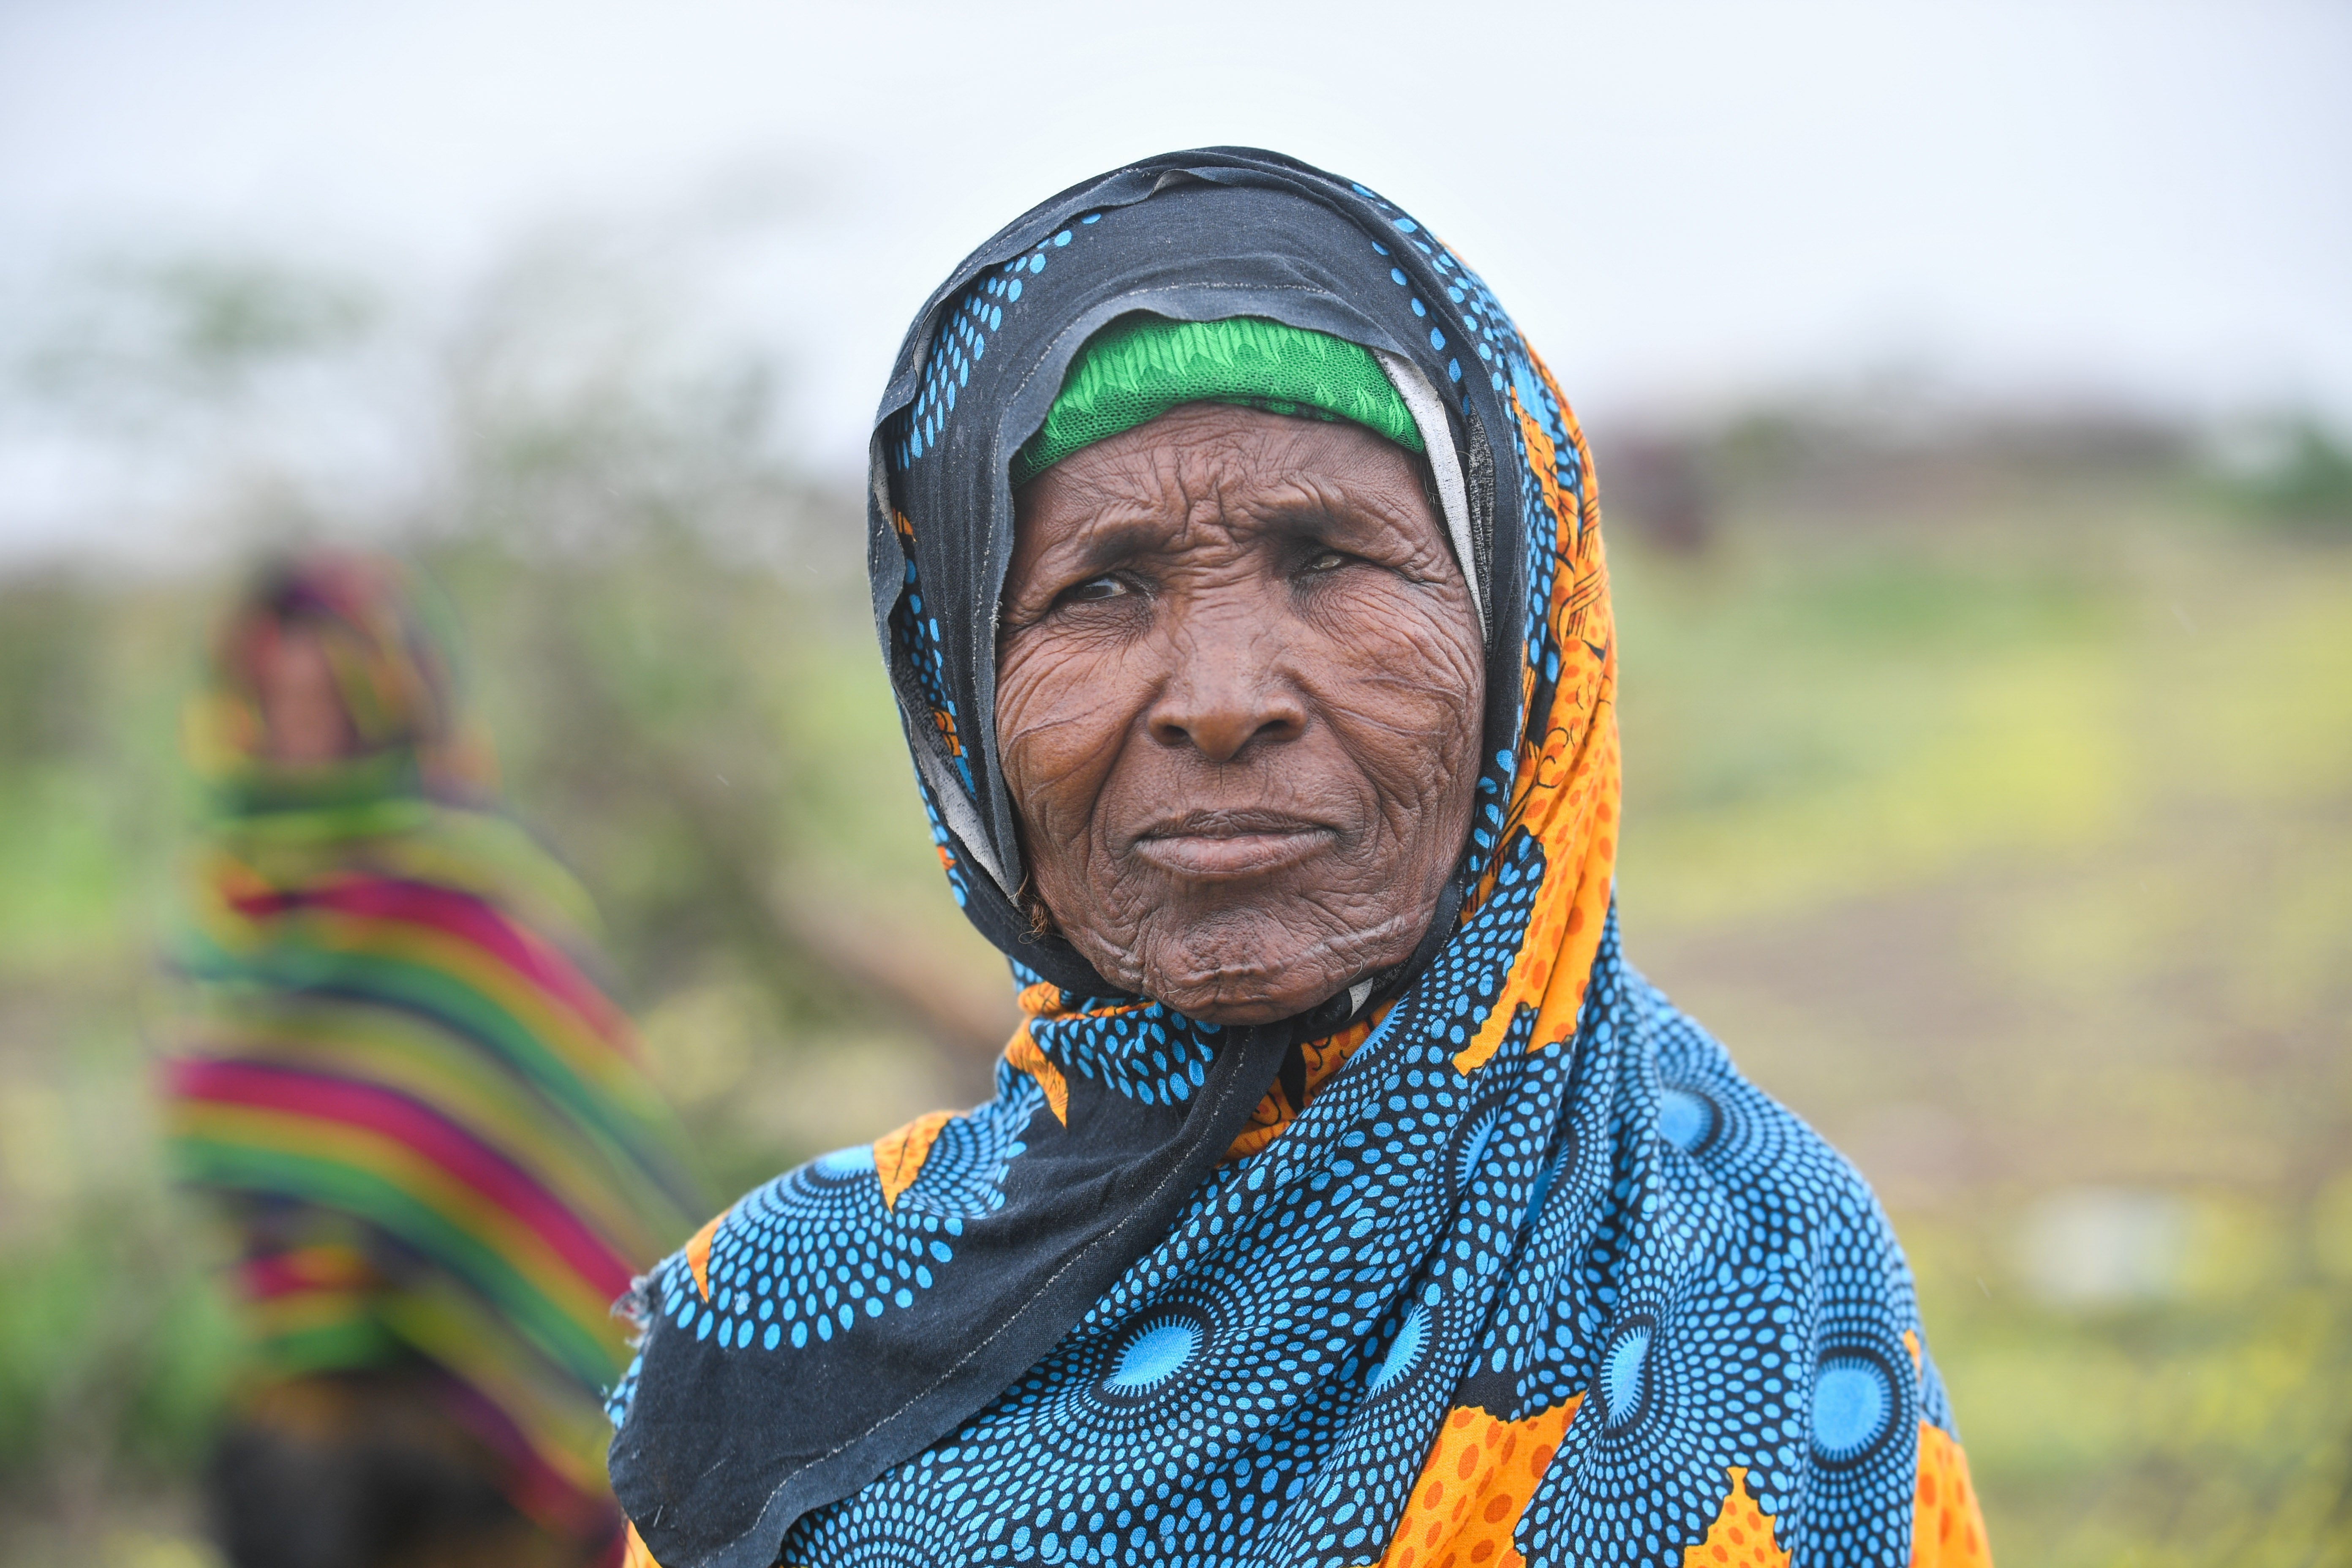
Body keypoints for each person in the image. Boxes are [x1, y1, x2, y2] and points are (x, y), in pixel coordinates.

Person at [605, 149, 1992, 1568]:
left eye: (1326, 559)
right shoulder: (776, 1349)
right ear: (960, 707)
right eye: (1100, 586)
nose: (1218, 697)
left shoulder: (1754, 1253)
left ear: (1525, 647)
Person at [164, 552, 704, 1568]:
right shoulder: (227, 915)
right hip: (307, 1398)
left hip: (479, 1416)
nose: (303, 729)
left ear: (390, 702)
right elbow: (225, 1133)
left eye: (330, 697)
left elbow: (567, 1152)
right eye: (278, 699)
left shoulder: (468, 895)